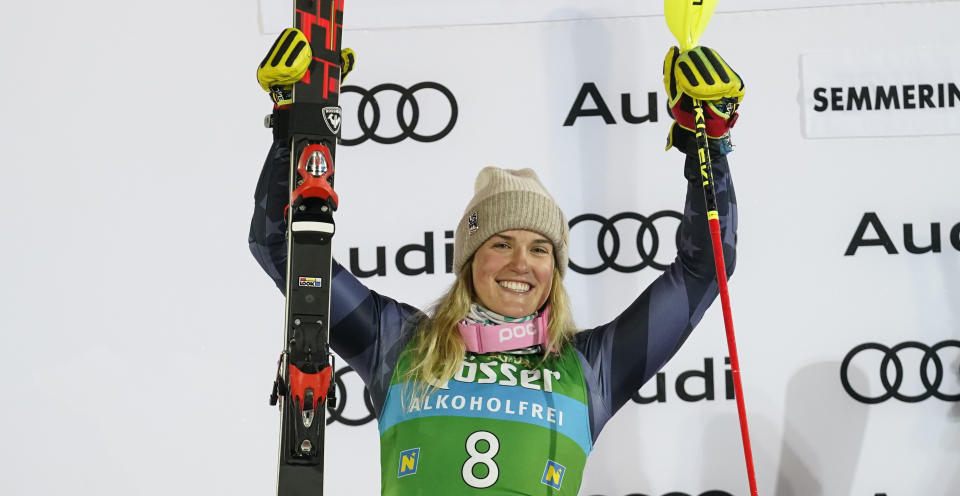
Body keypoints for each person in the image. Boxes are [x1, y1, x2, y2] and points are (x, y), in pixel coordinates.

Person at [249, 31, 743, 495]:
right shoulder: (397, 342)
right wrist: (293, 127)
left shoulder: (591, 366)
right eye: (501, 243)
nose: (521, 263)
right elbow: (287, 254)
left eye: (540, 249)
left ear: (556, 268)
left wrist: (707, 144)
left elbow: (704, 271)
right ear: (470, 259)